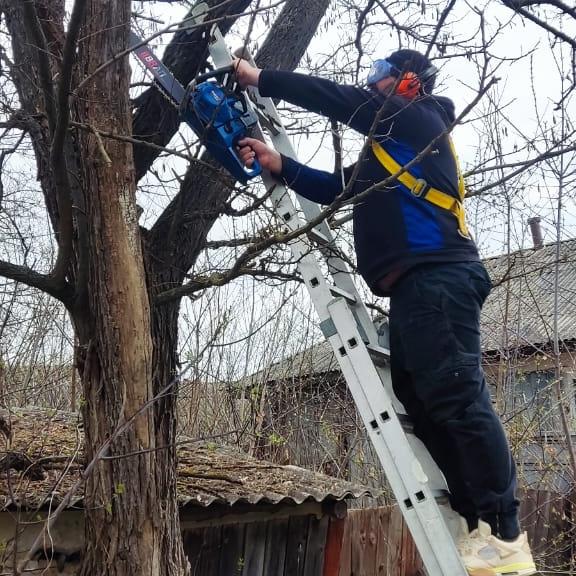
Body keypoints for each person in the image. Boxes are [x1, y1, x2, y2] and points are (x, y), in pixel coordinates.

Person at [233, 49, 536, 576]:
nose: (371, 85)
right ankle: (476, 524)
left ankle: (505, 533)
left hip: (440, 277)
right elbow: (337, 187)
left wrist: (262, 78)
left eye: (381, 76)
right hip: (414, 290)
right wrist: (276, 162)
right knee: (420, 399)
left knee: (457, 396)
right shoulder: (389, 150)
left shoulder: (420, 118)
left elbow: (338, 100)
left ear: (409, 83)